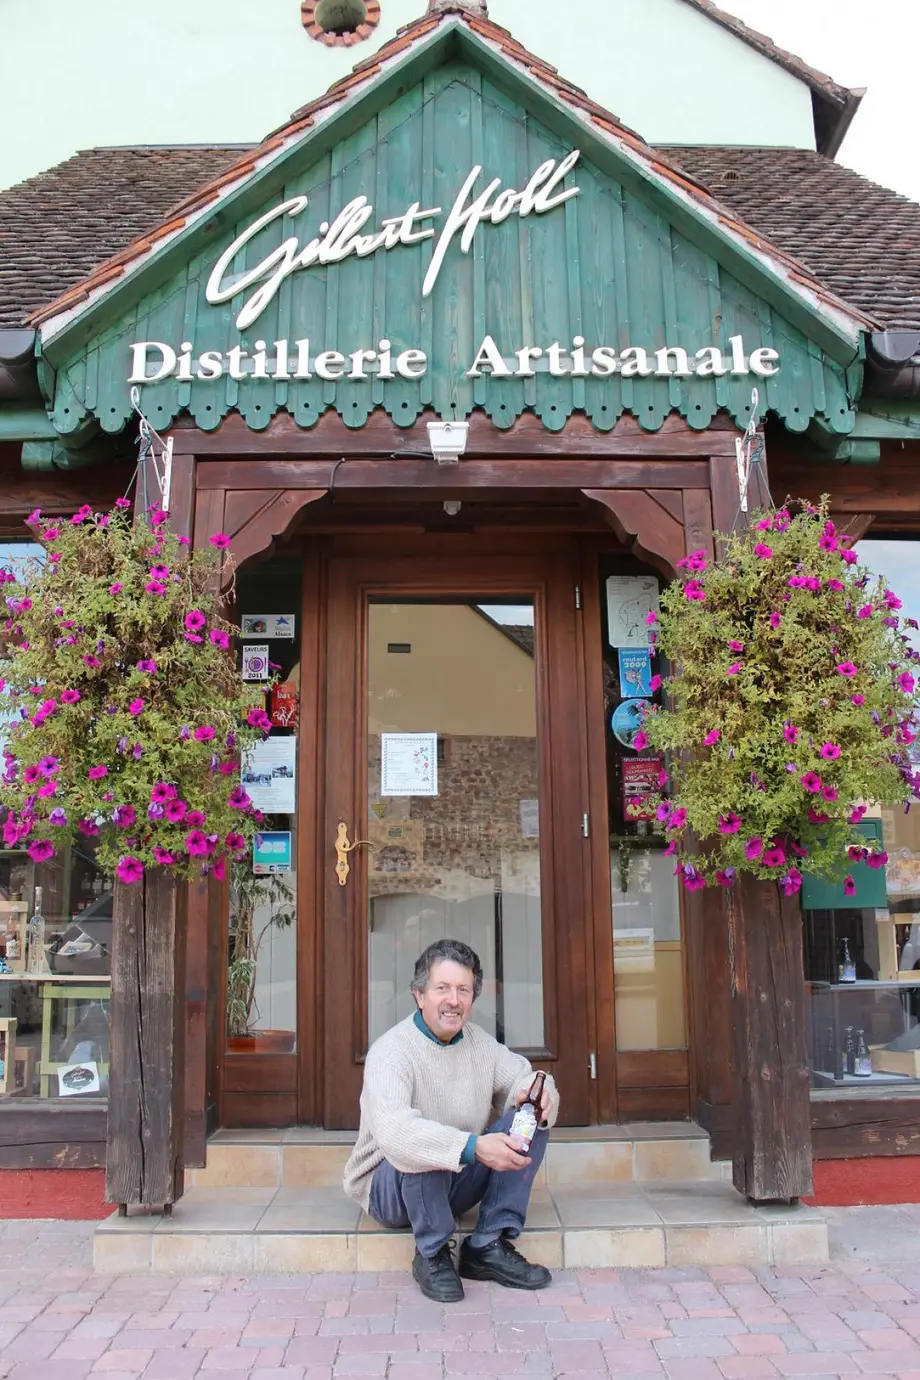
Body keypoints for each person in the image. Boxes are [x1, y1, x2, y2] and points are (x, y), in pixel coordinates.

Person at [343, 937, 560, 1302]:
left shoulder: (479, 1044)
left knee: (530, 1117)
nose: (453, 1000)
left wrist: (538, 1092)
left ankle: (487, 1245)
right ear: (419, 995)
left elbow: (525, 1078)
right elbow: (397, 1134)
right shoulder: (391, 1052)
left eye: (463, 990)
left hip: (453, 1181)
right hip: (391, 1190)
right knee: (421, 1142)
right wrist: (474, 1146)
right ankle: (432, 1252)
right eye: (442, 988)